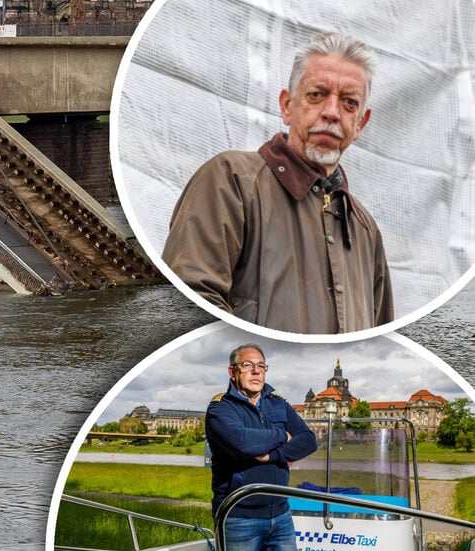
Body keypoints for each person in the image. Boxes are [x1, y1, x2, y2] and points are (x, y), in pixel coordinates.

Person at [161, 32, 394, 334]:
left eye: (349, 103)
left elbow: (380, 344)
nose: (332, 113)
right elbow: (185, 308)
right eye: (316, 94)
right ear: (287, 106)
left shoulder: (366, 231)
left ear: (360, 123)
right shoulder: (231, 182)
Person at [205, 343, 317, 551]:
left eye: (261, 366)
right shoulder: (221, 408)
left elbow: (308, 440)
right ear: (233, 372)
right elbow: (242, 442)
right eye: (247, 365)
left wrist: (272, 454)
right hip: (238, 515)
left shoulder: (277, 404)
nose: (256, 372)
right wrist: (282, 435)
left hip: (279, 513)